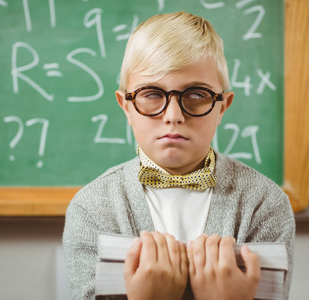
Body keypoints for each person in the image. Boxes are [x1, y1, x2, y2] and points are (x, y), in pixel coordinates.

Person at [63, 11, 295, 300]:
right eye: (151, 94)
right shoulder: (92, 209)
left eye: (197, 94)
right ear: (126, 106)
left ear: (223, 107)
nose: (173, 117)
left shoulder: (264, 203)